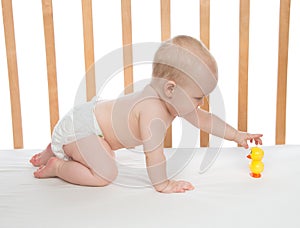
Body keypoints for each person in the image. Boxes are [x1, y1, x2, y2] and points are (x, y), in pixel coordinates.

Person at [30, 35, 263, 193]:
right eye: (198, 97)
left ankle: (52, 149)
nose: (200, 104)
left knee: (105, 154)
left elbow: (206, 120)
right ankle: (57, 166)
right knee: (105, 173)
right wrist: (163, 184)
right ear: (170, 88)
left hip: (89, 127)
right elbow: (154, 156)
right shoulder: (153, 113)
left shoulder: (172, 101)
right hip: (82, 129)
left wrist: (237, 135)